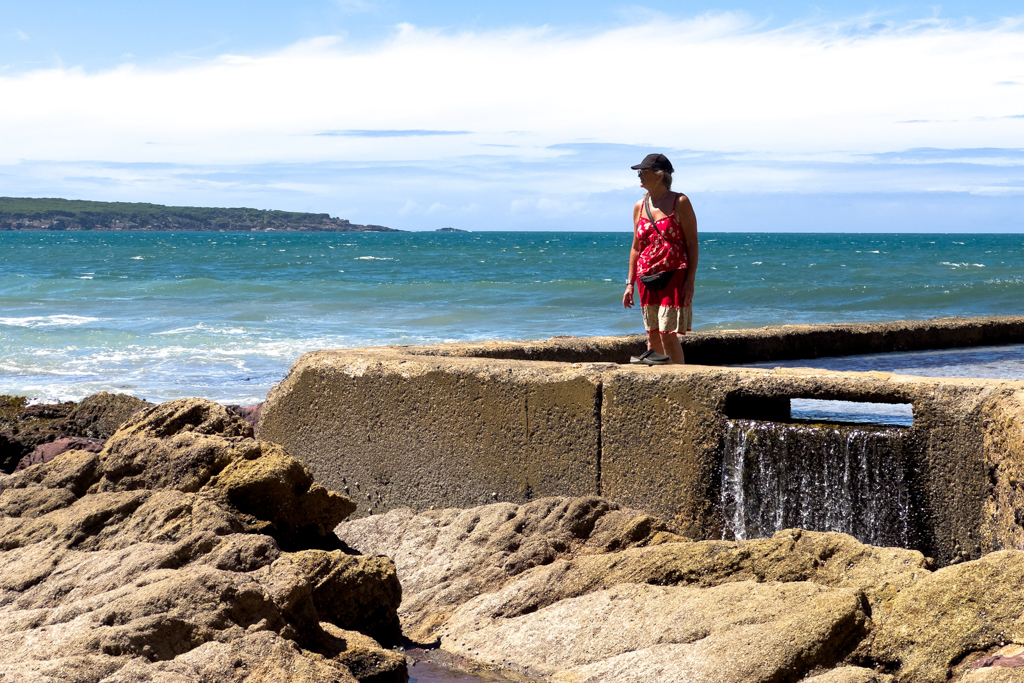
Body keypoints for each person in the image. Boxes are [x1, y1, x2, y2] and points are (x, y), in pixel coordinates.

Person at [622, 153, 699, 365]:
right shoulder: (640, 205)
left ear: (658, 175)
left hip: (673, 274)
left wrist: (690, 280)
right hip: (646, 276)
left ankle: (679, 381)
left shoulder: (680, 202)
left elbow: (692, 243)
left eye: (643, 172)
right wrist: (630, 284)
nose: (639, 176)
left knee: (667, 333)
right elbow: (636, 247)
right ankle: (655, 382)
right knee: (652, 334)